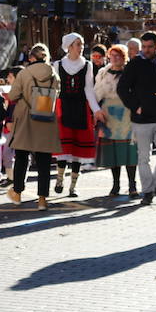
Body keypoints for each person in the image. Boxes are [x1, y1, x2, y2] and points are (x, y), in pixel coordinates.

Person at [120, 31, 156, 206]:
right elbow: (122, 89)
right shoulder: (135, 63)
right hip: (141, 119)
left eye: (150, 47)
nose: (146, 50)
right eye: (144, 47)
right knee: (144, 158)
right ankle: (148, 192)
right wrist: (136, 106)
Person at [6, 43, 60, 210]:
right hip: (46, 118)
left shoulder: (24, 73)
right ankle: (42, 199)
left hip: (26, 118)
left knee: (22, 156)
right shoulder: (54, 75)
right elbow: (57, 94)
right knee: (44, 161)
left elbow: (13, 95)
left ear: (31, 57)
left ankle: (17, 193)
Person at [52, 33, 101, 198]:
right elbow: (54, 90)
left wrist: (96, 110)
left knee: (78, 149)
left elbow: (89, 89)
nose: (81, 47)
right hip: (63, 107)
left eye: (81, 44)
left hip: (81, 108)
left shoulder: (87, 65)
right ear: (69, 46)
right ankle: (59, 179)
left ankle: (73, 186)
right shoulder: (57, 65)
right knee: (64, 148)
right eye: (77, 44)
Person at [94, 45, 136, 197]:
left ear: (124, 57)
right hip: (109, 116)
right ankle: (116, 184)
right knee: (114, 153)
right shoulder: (103, 73)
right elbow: (97, 93)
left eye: (119, 55)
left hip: (127, 114)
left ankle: (132, 185)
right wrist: (96, 112)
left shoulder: (131, 72)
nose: (116, 58)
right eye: (113, 55)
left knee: (130, 151)